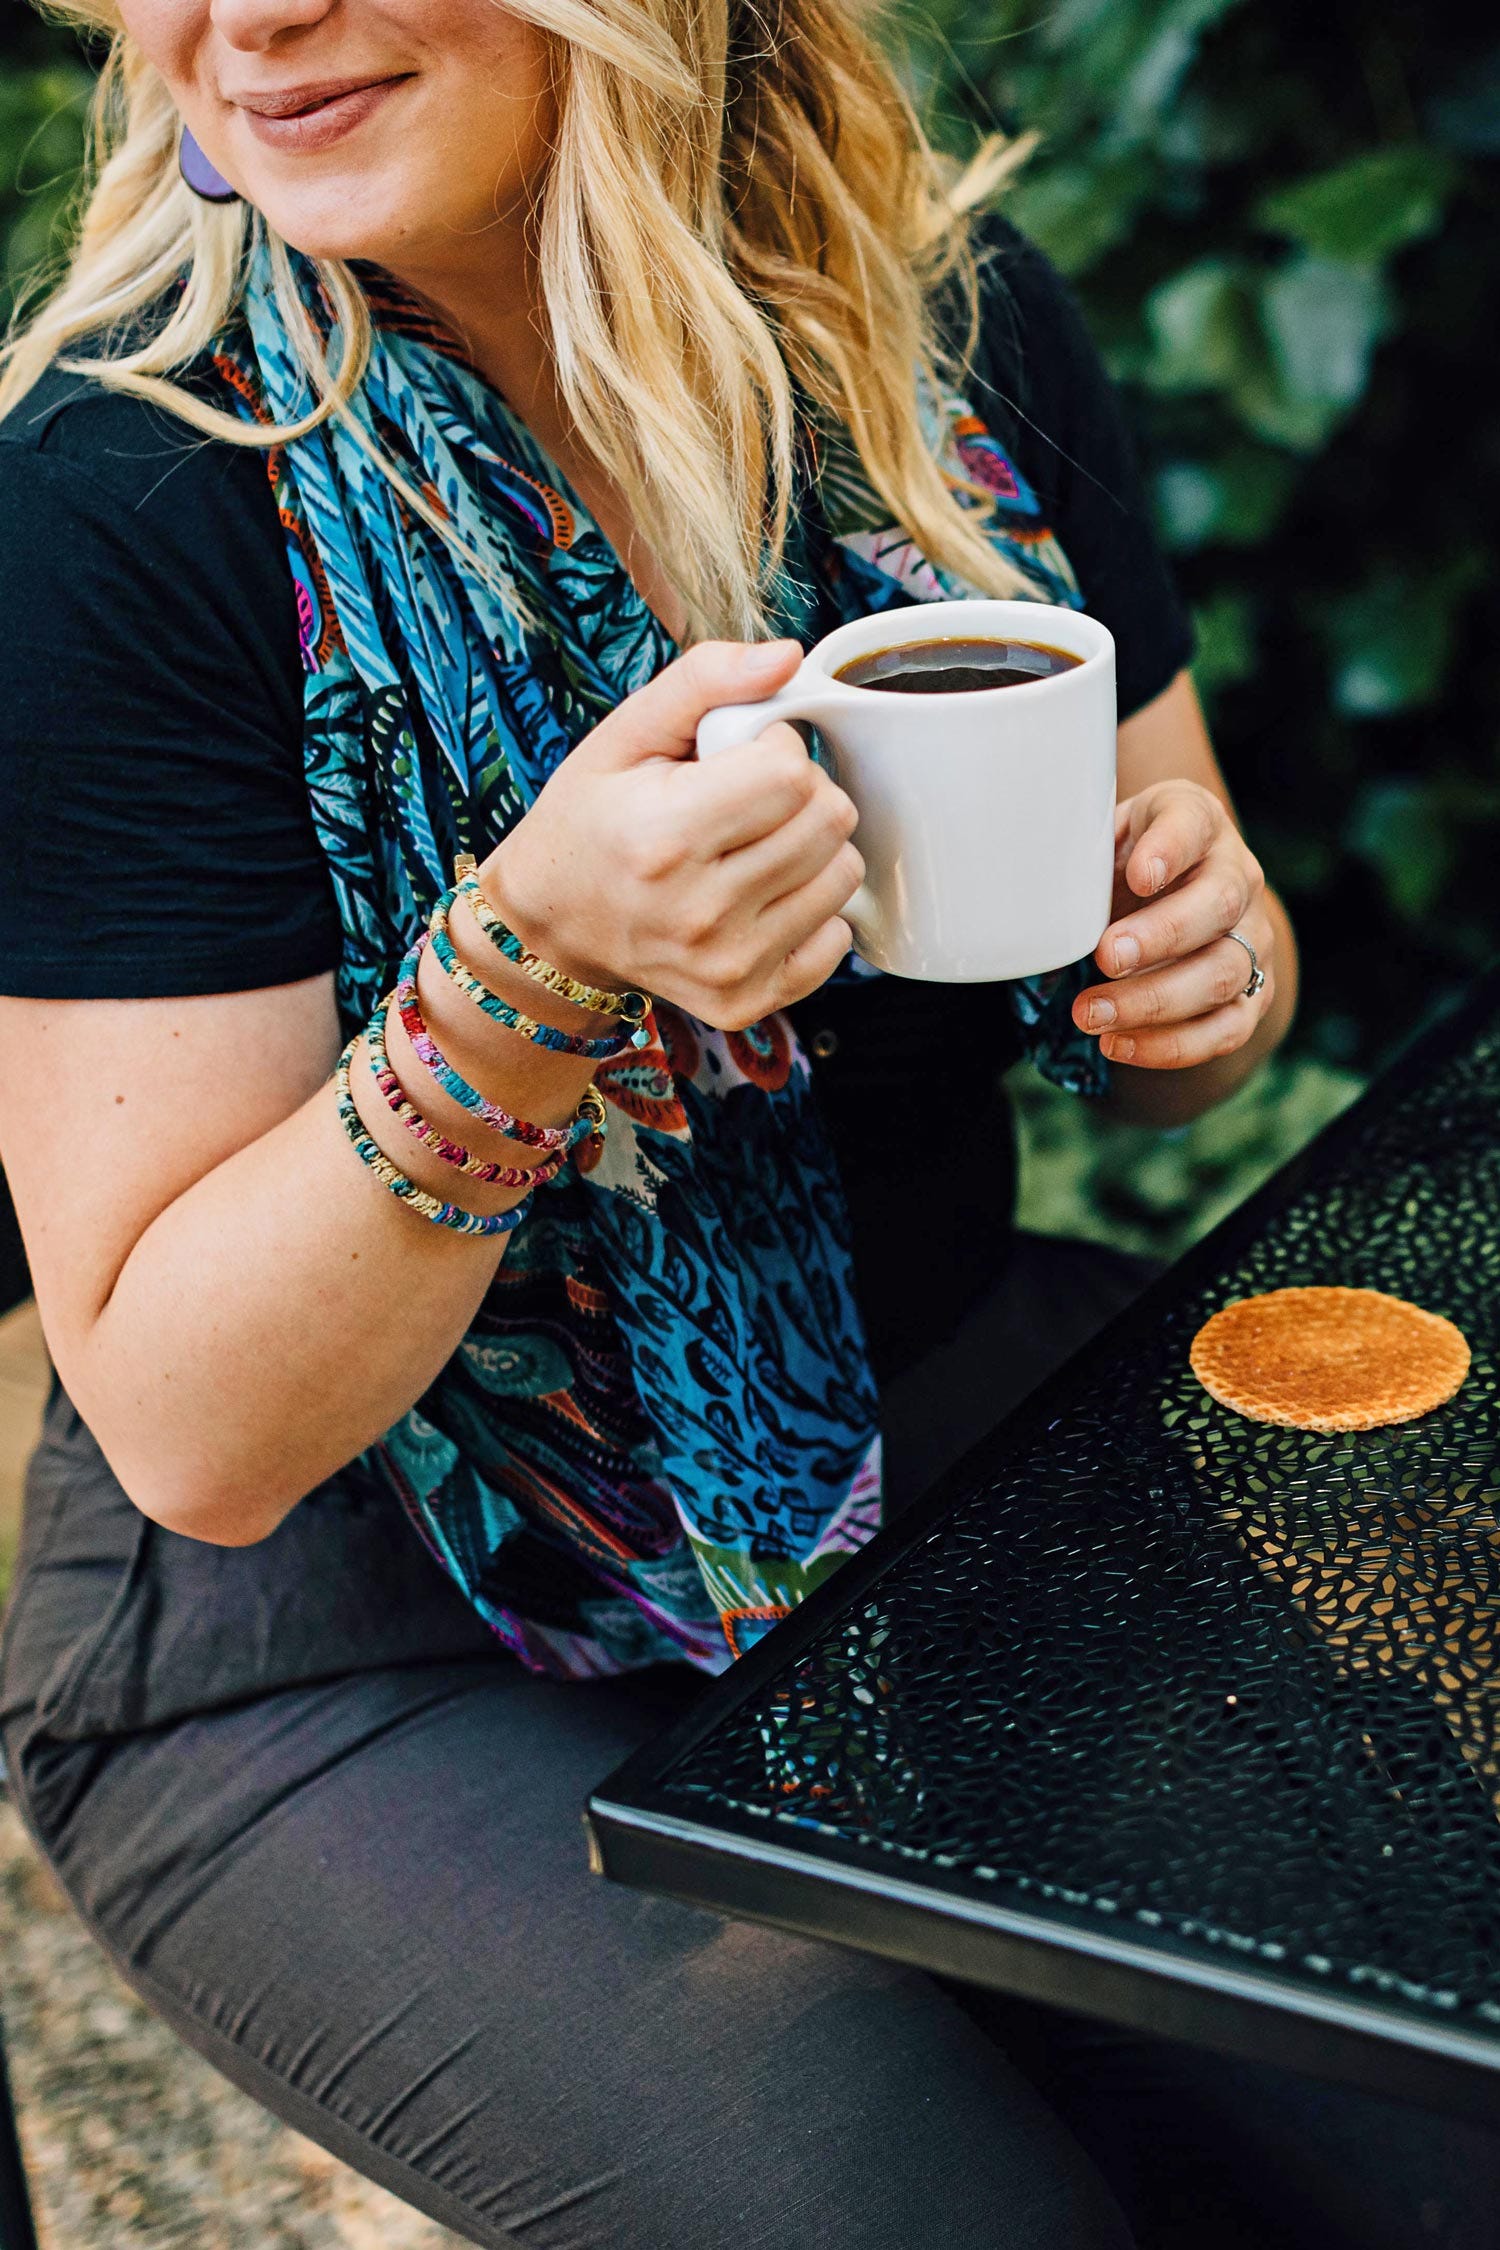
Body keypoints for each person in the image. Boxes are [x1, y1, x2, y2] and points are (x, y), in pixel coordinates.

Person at [0, 0, 1494, 2238]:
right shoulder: (123, 499)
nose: (248, 20)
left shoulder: (934, 344)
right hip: (360, 1619)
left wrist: (1209, 962)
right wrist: (530, 965)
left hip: (970, 1459)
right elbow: (202, 1431)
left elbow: (1198, 1015)